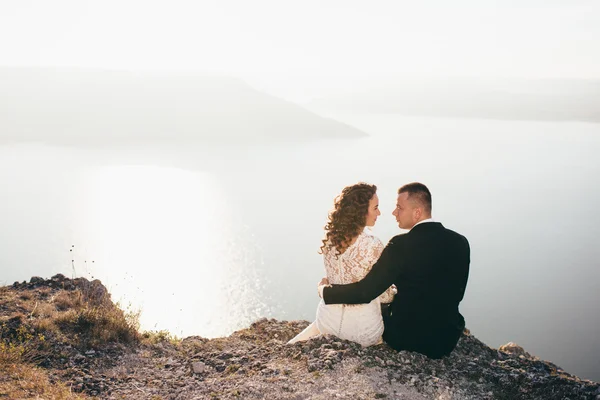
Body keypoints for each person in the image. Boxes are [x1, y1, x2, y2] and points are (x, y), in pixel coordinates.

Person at [319, 182, 470, 358]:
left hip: (405, 338)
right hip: (446, 340)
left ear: (417, 212)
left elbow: (365, 292)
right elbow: (458, 293)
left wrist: (325, 291)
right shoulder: (461, 242)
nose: (394, 212)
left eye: (399, 207)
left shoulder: (400, 245)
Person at [288, 183, 396, 346]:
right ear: (361, 212)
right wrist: (394, 291)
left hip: (327, 323)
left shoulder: (330, 240)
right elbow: (383, 295)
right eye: (376, 208)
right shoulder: (373, 244)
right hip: (362, 332)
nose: (379, 213)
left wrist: (323, 290)